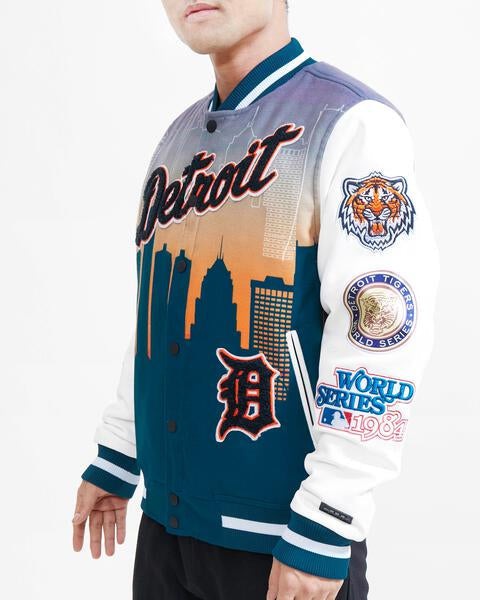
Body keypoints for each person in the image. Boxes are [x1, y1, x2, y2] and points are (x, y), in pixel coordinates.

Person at [72, 1, 439, 599]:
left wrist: (330, 516)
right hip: (168, 526)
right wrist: (119, 450)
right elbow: (158, 318)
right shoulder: (179, 138)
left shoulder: (350, 124)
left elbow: (381, 331)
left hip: (284, 537)